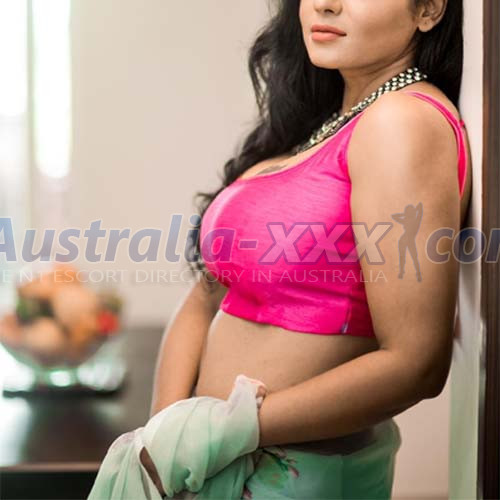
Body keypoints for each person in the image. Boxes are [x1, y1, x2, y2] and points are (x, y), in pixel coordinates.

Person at [145, 0, 472, 498]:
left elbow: (416, 363)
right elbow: (207, 295)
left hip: (285, 477)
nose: (325, 3)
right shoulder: (329, 125)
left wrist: (225, 431)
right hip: (201, 466)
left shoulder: (401, 121)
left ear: (428, 9)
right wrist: (167, 439)